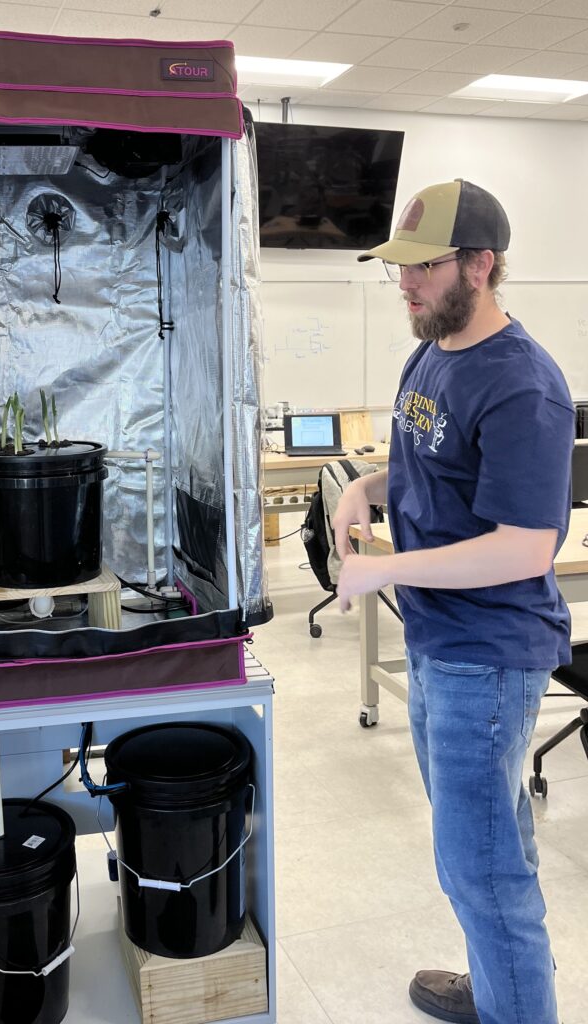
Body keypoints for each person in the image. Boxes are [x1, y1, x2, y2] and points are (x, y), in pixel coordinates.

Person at [332, 179, 574, 1024]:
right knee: (486, 850)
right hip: (441, 643)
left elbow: (524, 546)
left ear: (480, 265)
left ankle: (516, 1007)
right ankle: (502, 985)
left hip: (489, 656)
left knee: (482, 866)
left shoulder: (524, 387)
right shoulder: (431, 351)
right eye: (397, 269)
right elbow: (432, 466)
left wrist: (386, 571)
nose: (403, 284)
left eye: (422, 268)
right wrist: (366, 484)